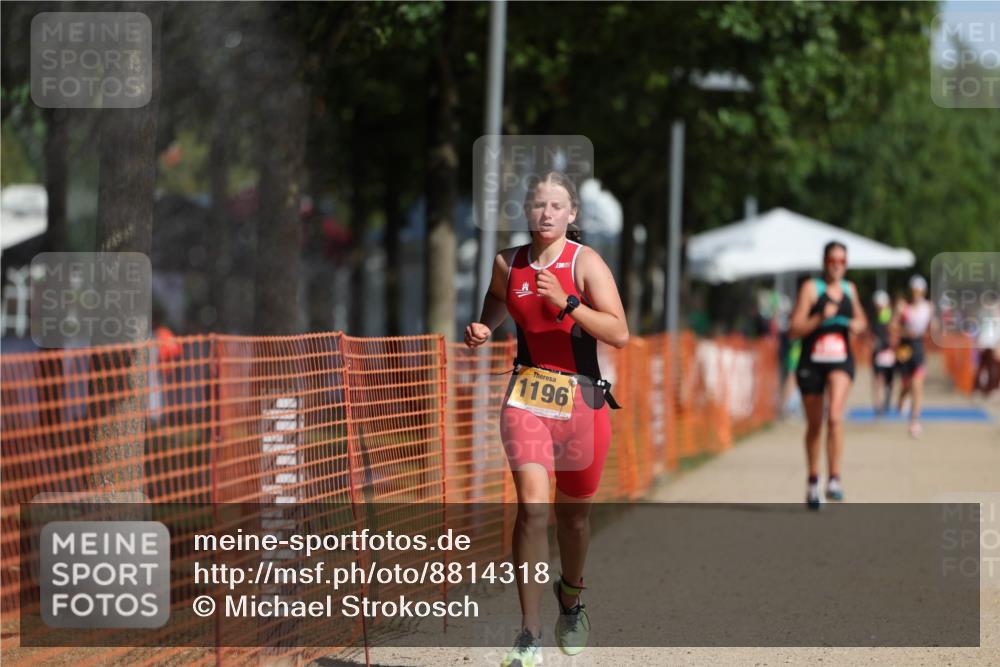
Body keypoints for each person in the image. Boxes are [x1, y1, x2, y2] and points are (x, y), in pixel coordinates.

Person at [464, 171, 629, 667]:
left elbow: (619, 333)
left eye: (557, 205)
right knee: (533, 511)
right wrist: (485, 326)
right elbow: (499, 298)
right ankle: (529, 633)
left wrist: (569, 303)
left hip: (583, 404)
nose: (547, 213)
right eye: (538, 204)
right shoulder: (506, 262)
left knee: (573, 518)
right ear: (527, 211)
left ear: (572, 214)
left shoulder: (586, 264)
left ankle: (571, 598)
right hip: (527, 396)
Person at [788, 242, 867, 510]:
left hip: (840, 360)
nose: (837, 265)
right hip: (812, 362)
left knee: (834, 415)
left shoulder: (849, 290)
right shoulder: (811, 289)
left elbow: (862, 320)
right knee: (815, 424)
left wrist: (857, 324)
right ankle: (813, 481)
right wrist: (820, 318)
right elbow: (794, 329)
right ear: (824, 261)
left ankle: (834, 478)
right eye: (833, 260)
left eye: (842, 261)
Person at [893, 275, 935, 438]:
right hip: (904, 348)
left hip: (918, 348)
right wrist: (905, 332)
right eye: (914, 290)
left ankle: (914, 422)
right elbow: (892, 326)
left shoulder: (929, 307)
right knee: (906, 384)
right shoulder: (903, 307)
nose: (917, 293)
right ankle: (902, 397)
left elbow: (934, 327)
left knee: (917, 385)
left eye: (919, 290)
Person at [869, 290, 896, 415]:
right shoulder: (875, 317)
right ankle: (878, 405)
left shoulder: (889, 315)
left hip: (888, 352)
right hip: (878, 353)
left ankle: (885, 403)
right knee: (878, 379)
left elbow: (893, 333)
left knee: (888, 380)